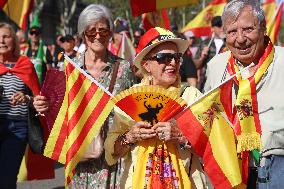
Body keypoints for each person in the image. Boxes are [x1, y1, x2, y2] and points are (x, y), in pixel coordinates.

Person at [33, 4, 135, 188]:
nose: (98, 36)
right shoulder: (70, 68)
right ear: (82, 35)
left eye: (103, 31)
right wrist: (44, 105)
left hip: (111, 159)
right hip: (78, 155)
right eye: (91, 32)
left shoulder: (124, 69)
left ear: (110, 33)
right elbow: (59, 108)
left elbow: (132, 111)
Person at [105, 27, 208, 189]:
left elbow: (211, 147)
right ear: (146, 65)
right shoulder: (130, 99)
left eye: (176, 57)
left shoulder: (192, 96)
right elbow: (111, 151)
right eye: (164, 58)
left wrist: (181, 136)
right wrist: (130, 137)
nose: (173, 63)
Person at [203, 1, 284, 188]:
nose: (240, 39)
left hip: (278, 165)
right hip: (232, 169)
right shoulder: (216, 66)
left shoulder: (282, 61)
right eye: (232, 32)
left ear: (263, 28)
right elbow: (207, 115)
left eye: (248, 29)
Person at [0, 22, 41, 189]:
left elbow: (39, 99)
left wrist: (27, 98)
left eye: (5, 37)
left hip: (18, 127)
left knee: (6, 180)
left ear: (14, 40)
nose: (1, 41)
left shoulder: (26, 64)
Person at [195, 16, 226, 91]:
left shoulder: (230, 43)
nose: (222, 28)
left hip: (224, 82)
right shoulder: (205, 44)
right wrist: (202, 57)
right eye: (219, 25)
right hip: (207, 83)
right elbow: (196, 65)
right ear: (212, 28)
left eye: (223, 25)